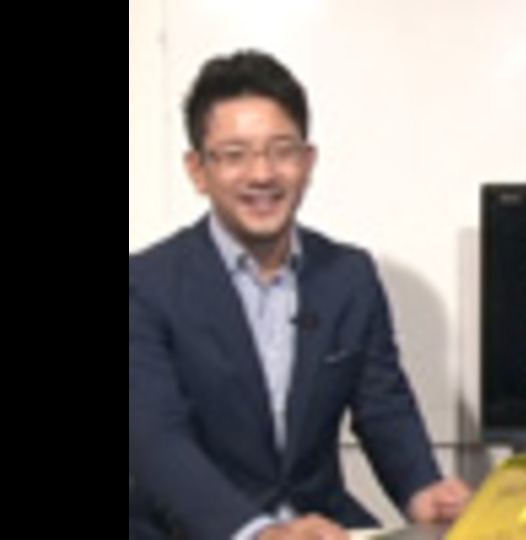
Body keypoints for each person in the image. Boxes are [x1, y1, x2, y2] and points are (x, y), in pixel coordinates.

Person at [129, 50, 471, 540]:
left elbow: (383, 406)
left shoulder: (349, 276)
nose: (262, 174)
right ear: (197, 170)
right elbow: (156, 443)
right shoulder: (146, 285)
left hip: (322, 526)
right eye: (235, 155)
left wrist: (423, 492)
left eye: (282, 150)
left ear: (307, 163)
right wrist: (259, 533)